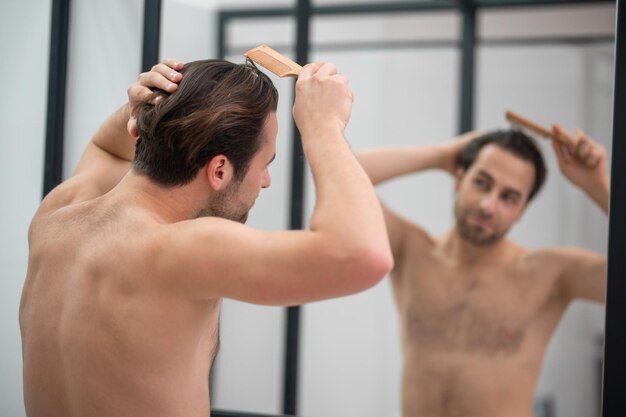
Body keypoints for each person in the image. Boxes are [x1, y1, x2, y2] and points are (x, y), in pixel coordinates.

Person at [20, 59, 393, 417]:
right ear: (219, 170)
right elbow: (364, 254)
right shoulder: (180, 249)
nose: (265, 181)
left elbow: (105, 148)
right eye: (266, 165)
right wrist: (324, 127)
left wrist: (136, 110)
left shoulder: (58, 215)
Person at [355, 127, 609, 417]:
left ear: (522, 210)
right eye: (482, 183)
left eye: (509, 197)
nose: (489, 206)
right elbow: (338, 171)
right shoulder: (410, 249)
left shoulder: (551, 274)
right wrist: (440, 155)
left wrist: (598, 184)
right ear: (459, 178)